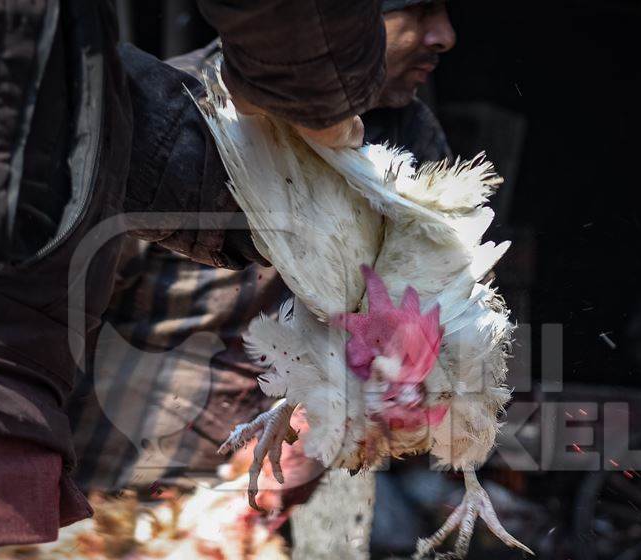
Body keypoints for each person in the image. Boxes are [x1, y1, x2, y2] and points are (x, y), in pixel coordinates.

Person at [0, 1, 385, 560]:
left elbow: (66, 101)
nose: (445, 35)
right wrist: (321, 101)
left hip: (91, 499)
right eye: (420, 10)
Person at [69, 0, 458, 507]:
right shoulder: (170, 115)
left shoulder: (412, 141)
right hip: (116, 495)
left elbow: (428, 330)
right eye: (421, 9)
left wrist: (329, 413)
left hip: (261, 509)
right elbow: (66, 309)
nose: (445, 35)